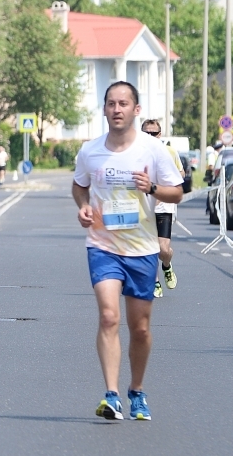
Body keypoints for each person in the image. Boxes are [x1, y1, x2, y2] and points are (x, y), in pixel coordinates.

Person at [73, 81, 183, 422]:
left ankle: (136, 391)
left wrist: (151, 187)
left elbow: (177, 193)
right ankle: (111, 395)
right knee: (108, 316)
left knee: (141, 328)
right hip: (103, 245)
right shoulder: (90, 151)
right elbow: (80, 187)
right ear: (104, 109)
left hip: (142, 248)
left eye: (123, 103)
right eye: (111, 103)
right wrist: (83, 208)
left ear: (136, 110)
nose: (116, 109)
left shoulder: (152, 150)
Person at [141, 119, 183, 298]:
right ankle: (155, 282)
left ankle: (167, 265)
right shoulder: (135, 153)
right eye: (146, 133)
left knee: (163, 249)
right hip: (143, 207)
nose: (150, 137)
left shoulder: (170, 152)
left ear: (160, 135)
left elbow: (180, 174)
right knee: (149, 248)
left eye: (154, 133)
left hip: (164, 205)